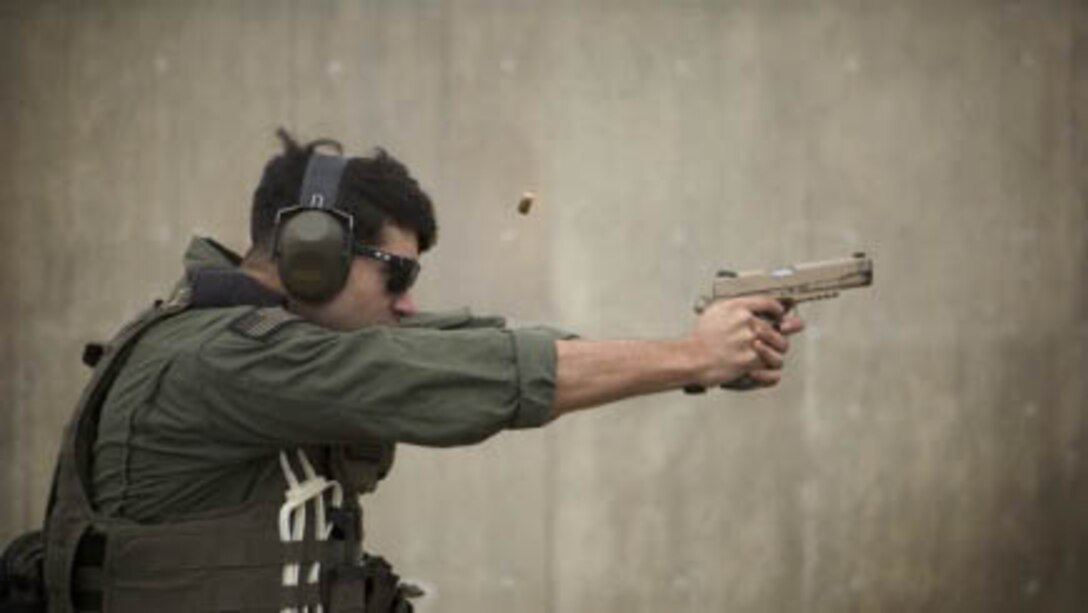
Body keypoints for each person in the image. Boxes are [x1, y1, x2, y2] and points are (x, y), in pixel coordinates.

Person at [41, 130, 804, 613]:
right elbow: (456, 373)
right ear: (313, 255)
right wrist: (690, 355)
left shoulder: (257, 339)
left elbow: (468, 346)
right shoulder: (223, 356)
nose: (409, 303)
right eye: (396, 276)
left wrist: (694, 356)